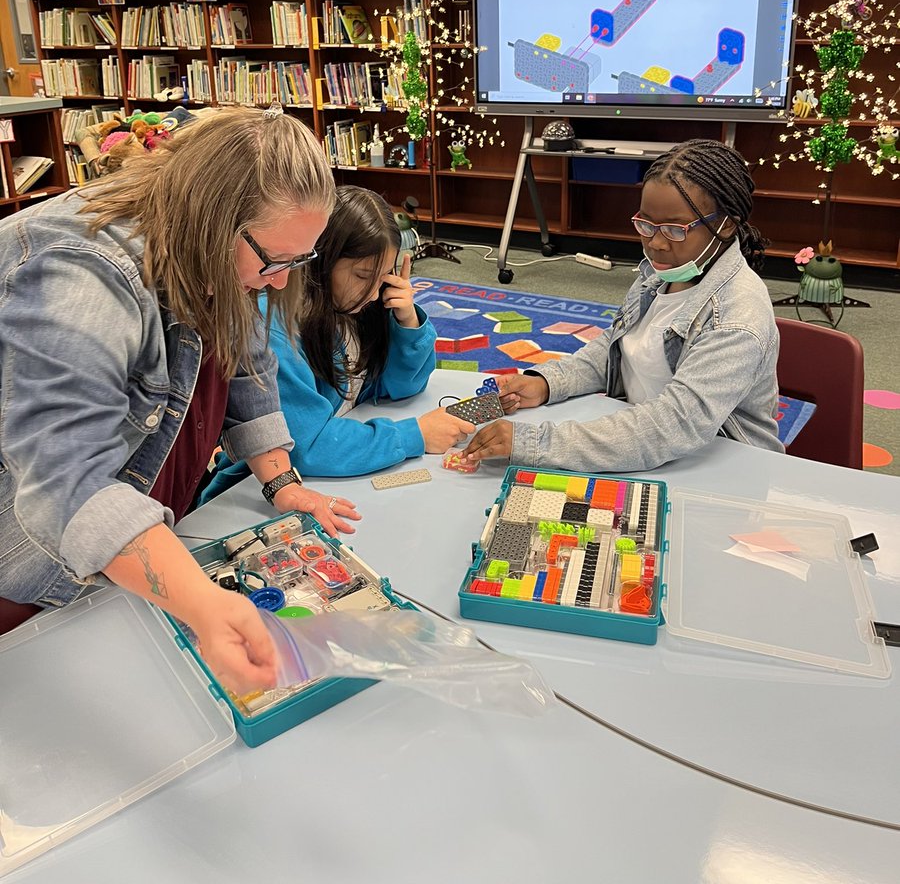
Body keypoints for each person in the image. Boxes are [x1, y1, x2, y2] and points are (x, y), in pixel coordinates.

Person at [0, 106, 361, 695]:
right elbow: (68, 482)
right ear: (216, 221)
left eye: (299, 261)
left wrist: (280, 482)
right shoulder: (78, 277)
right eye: (275, 261)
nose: (278, 282)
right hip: (27, 565)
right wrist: (204, 607)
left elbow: (244, 358)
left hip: (124, 550)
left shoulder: (211, 248)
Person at [463, 139, 784, 472]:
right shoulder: (660, 273)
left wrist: (535, 443)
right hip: (647, 444)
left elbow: (671, 425)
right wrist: (547, 383)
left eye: (674, 229)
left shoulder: (737, 317)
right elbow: (618, 347)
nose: (656, 243)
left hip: (722, 466)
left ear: (726, 223)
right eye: (646, 225)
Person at [204, 186, 473, 497]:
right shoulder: (273, 329)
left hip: (338, 469)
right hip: (256, 490)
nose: (374, 293)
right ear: (320, 261)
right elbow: (307, 446)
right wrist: (414, 435)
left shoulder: (358, 306)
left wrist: (407, 322)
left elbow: (399, 387)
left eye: (383, 276)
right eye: (362, 275)